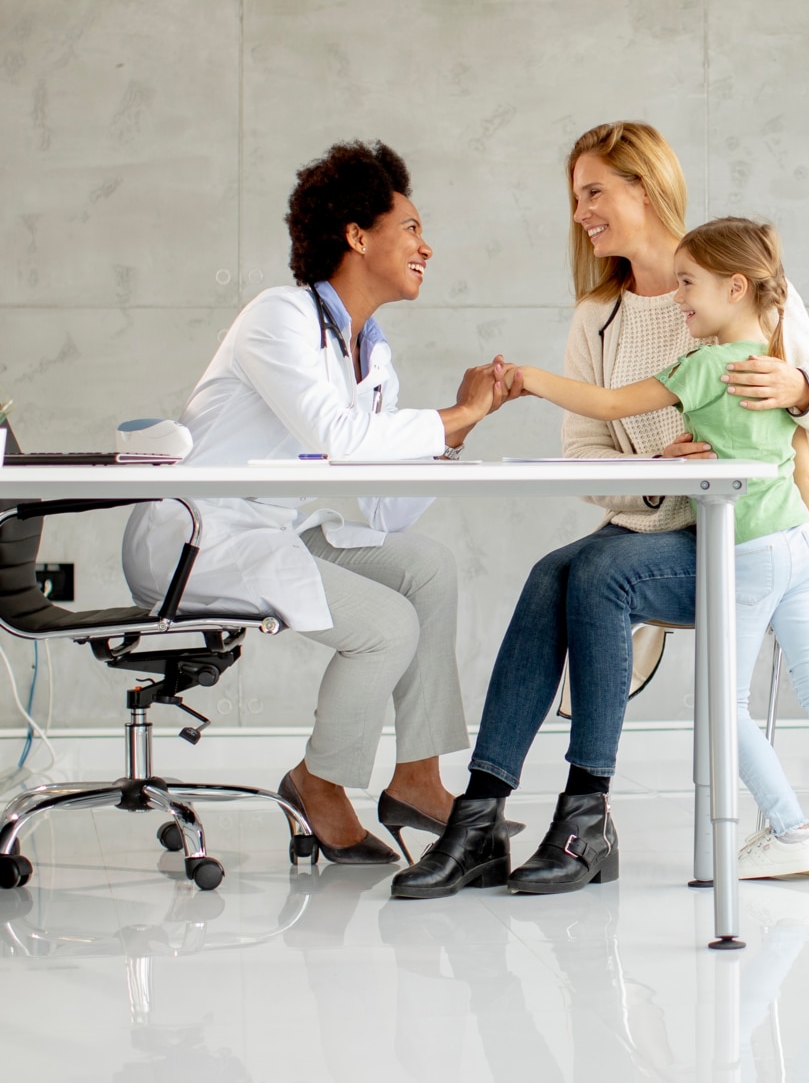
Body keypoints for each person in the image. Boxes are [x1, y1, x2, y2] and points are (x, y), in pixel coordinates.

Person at [391, 122, 809, 900]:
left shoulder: (733, 283)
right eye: (576, 198)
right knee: (551, 573)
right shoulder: (596, 318)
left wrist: (798, 389)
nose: (581, 213)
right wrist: (653, 472)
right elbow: (584, 454)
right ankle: (478, 818)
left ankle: (585, 818)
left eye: (594, 192)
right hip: (659, 528)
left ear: (644, 187)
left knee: (599, 572)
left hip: (738, 540)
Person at [122, 141, 519, 863]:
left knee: (426, 568)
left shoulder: (372, 352)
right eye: (411, 227)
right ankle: (318, 781)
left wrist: (457, 434)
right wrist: (453, 416)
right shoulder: (279, 317)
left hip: (272, 528)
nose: (427, 246)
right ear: (357, 235)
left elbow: (381, 503)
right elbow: (338, 437)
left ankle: (418, 778)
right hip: (199, 537)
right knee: (385, 626)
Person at [504, 217, 809, 882]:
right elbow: (803, 467)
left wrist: (530, 378)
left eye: (689, 284)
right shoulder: (780, 368)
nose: (678, 297)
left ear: (735, 287)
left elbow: (608, 404)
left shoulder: (704, 367)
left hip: (749, 553)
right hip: (802, 545)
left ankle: (788, 828)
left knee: (725, 707)